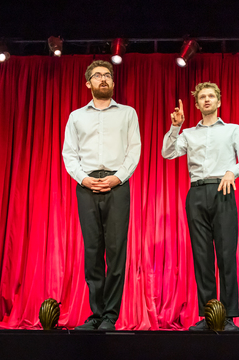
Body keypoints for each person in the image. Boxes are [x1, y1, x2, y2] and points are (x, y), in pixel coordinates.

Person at [161, 82, 239, 331]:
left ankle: (227, 316)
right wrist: (175, 126)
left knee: (226, 256)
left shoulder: (233, 130)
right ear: (196, 104)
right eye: (202, 97)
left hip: (223, 191)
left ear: (219, 101)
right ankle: (208, 315)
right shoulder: (189, 134)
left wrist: (231, 171)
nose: (206, 100)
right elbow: (167, 153)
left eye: (211, 96)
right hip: (196, 193)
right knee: (202, 257)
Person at [62, 60, 141, 331]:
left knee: (116, 251)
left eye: (107, 75)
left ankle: (110, 316)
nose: (103, 79)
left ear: (113, 82)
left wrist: (118, 177)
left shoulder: (128, 113)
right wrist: (84, 179)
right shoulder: (76, 116)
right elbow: (69, 154)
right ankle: (95, 314)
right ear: (88, 83)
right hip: (86, 186)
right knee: (93, 251)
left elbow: (134, 150)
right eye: (97, 76)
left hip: (117, 185)